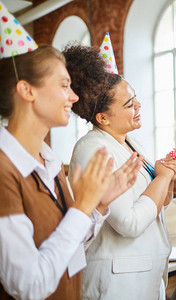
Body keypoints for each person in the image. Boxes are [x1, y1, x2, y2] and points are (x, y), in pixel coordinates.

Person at [0, 5, 141, 299]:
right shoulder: (4, 172)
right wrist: (82, 206)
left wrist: (97, 206)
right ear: (27, 91)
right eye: (64, 85)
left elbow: (71, 251)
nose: (74, 97)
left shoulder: (49, 162)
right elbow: (29, 286)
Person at [63, 44, 176, 300]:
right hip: (117, 282)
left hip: (145, 274)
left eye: (135, 98)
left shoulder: (130, 142)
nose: (139, 105)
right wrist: (162, 177)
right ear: (103, 118)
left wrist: (168, 177)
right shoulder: (92, 150)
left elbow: (159, 205)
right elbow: (128, 223)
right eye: (130, 104)